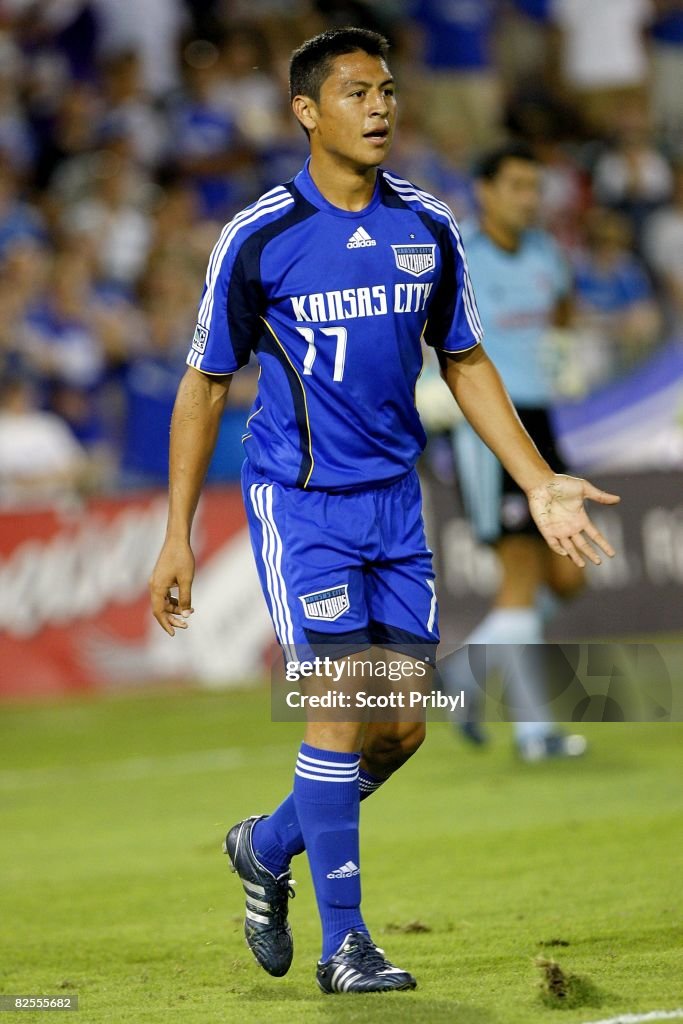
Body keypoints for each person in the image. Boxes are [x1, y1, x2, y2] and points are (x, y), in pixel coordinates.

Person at [149, 28, 619, 994]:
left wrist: (535, 479)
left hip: (396, 509)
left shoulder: (428, 226)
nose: (380, 107)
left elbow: (465, 358)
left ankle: (265, 843)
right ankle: (347, 944)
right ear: (305, 112)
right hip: (303, 505)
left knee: (400, 728)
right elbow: (202, 387)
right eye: (357, 92)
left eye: (389, 91)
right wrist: (176, 534)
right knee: (338, 707)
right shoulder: (259, 236)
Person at [442, 142, 597, 759]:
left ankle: (463, 672)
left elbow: (563, 311)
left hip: (545, 420)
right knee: (522, 579)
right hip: (493, 429)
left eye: (535, 188)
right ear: (483, 192)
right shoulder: (463, 259)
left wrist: (561, 360)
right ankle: (535, 734)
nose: (528, 199)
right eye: (515, 187)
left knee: (567, 572)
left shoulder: (546, 255)